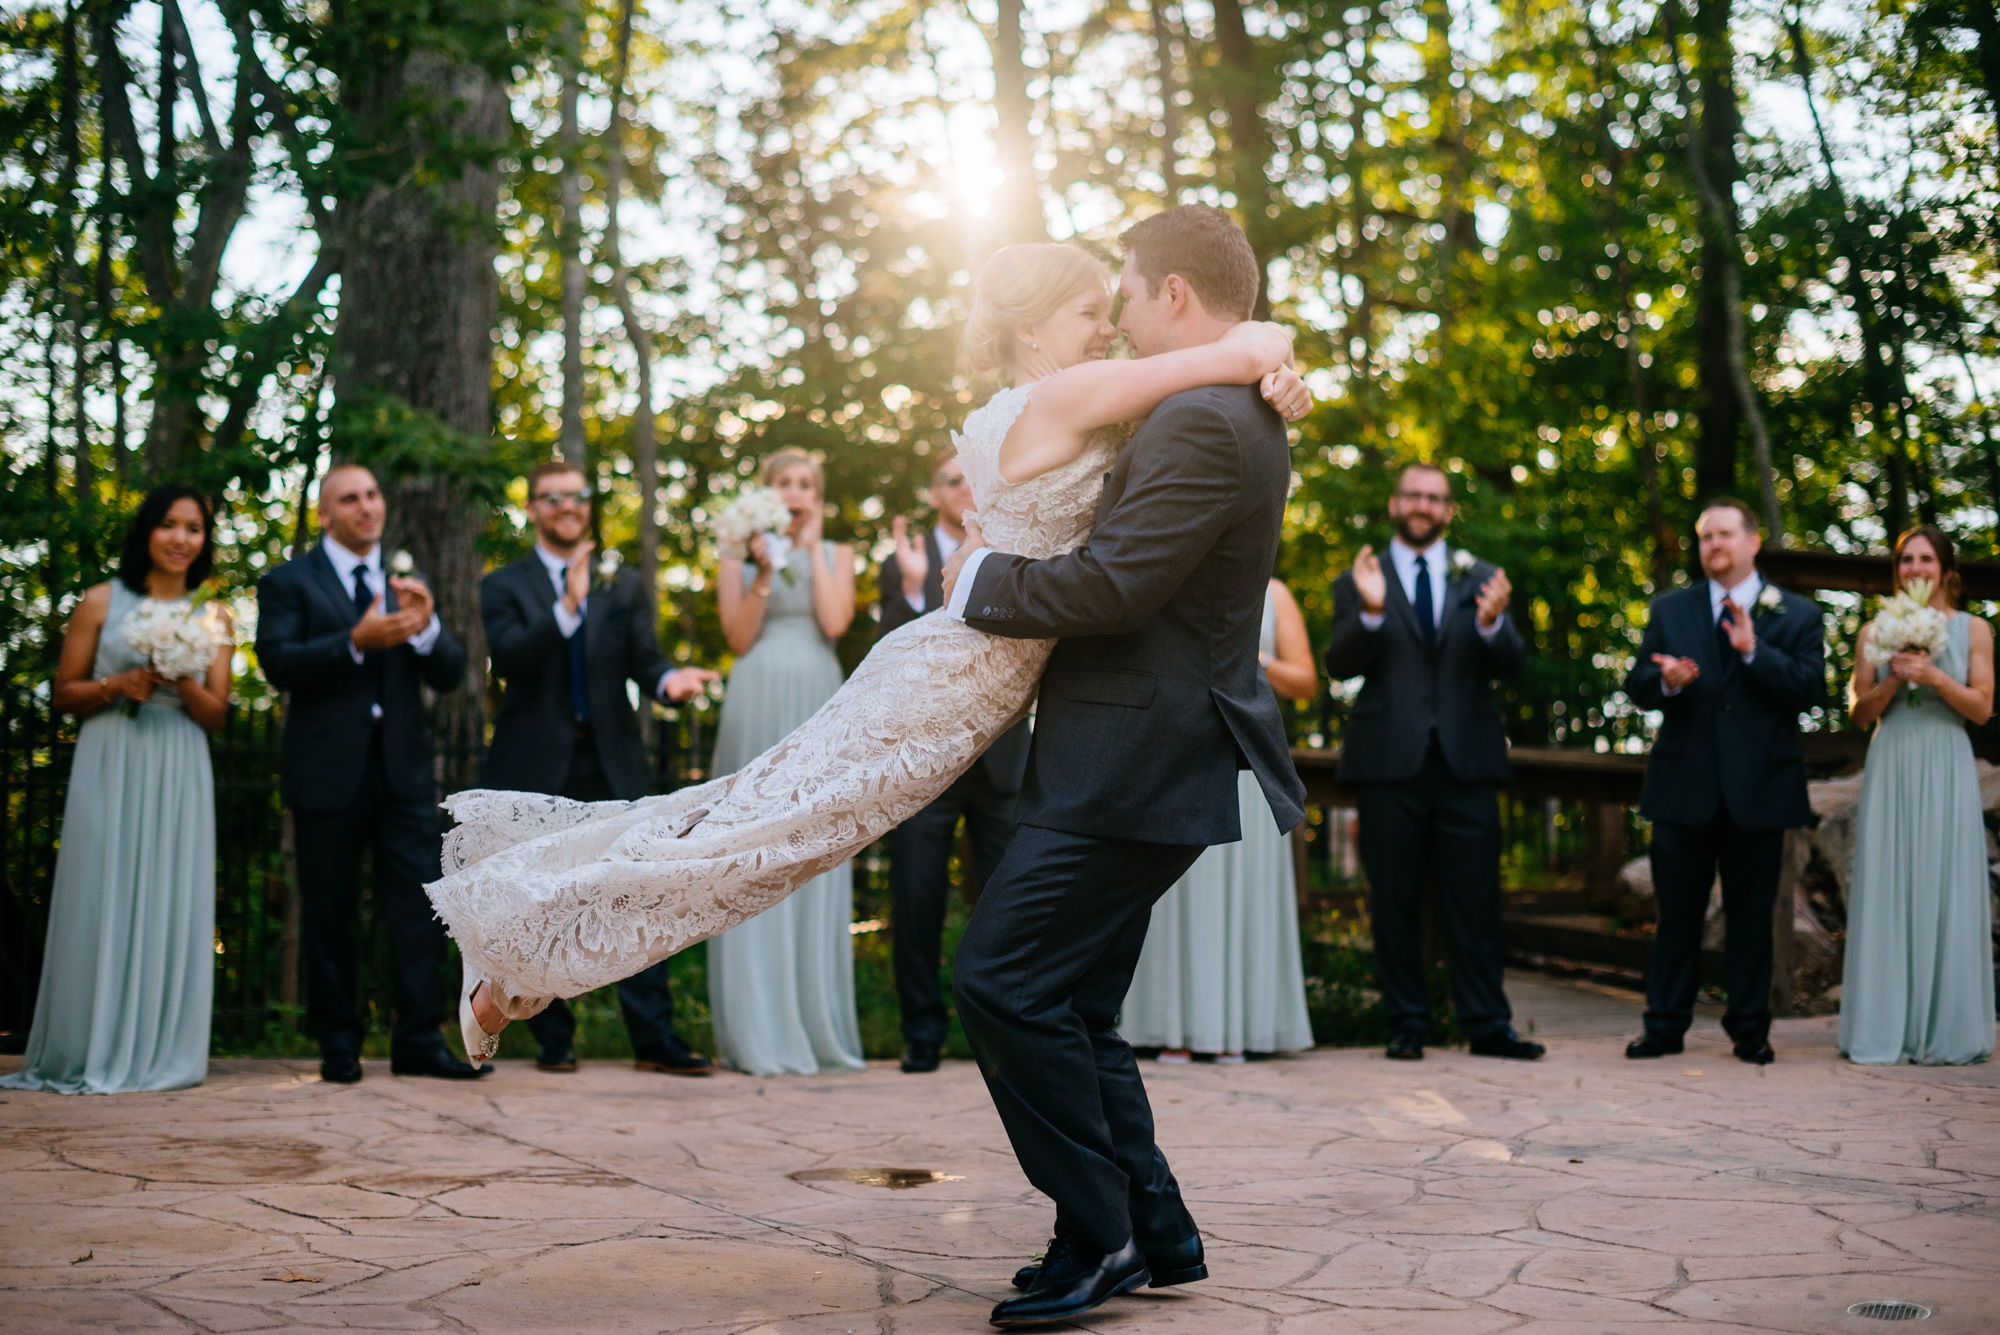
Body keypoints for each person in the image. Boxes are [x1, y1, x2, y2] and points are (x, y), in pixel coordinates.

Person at [431, 238, 1309, 1111]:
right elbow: (1240, 347)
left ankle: (524, 945)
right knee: (761, 830)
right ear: (1033, 326)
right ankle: (513, 943)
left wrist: (1278, 372)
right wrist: (1275, 359)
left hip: (973, 685)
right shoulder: (1071, 390)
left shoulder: (1074, 395)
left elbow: (1219, 373)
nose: (1111, 327)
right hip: (944, 679)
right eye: (1089, 312)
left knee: (771, 835)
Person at [937, 205, 1309, 1327]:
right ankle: (1151, 1227)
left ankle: (1095, 1236)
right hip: (1134, 752)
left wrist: (975, 588)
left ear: (1175, 297)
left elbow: (1113, 587)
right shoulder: (1218, 399)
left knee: (999, 981)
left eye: (1129, 297)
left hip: (1130, 758)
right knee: (1079, 1003)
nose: (1122, 319)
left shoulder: (1201, 418)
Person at [479, 460, 719, 1075]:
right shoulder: (504, 585)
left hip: (613, 762)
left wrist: (670, 681)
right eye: (550, 496)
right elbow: (509, 661)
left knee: (638, 898)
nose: (566, 505)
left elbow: (647, 659)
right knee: (542, 901)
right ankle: (553, 1039)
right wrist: (567, 606)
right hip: (535, 764)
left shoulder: (626, 584)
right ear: (531, 508)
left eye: (576, 495)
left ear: (588, 504)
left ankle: (654, 1040)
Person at [3, 486, 233, 1094]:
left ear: (204, 541)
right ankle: (89, 1044)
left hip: (179, 764)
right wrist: (118, 684)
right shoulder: (101, 601)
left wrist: (177, 679)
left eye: (194, 529)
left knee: (168, 894)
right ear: (147, 532)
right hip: (112, 757)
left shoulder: (216, 617)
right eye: (169, 525)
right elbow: (63, 693)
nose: (181, 539)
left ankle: (161, 1049)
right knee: (101, 890)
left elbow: (215, 714)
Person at [256, 463, 480, 1084]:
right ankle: (338, 1045)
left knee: (419, 912)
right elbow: (277, 662)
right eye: (350, 499)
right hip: (327, 774)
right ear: (326, 514)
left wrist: (428, 627)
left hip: (402, 776)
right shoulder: (288, 582)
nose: (366, 507)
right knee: (330, 913)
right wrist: (354, 640)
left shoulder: (405, 582)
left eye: (373, 494)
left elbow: (452, 674)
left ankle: (418, 1042)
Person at [1323, 463, 1541, 1062]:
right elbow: (1338, 664)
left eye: (1435, 498)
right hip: (1387, 761)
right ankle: (1406, 1024)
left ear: (1448, 511)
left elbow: (1514, 664)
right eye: (1414, 495)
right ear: (1395, 503)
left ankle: (1487, 1025)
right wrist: (1369, 612)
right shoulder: (1359, 577)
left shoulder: (1485, 578)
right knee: (1393, 900)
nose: (1424, 504)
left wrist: (1493, 625)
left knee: (1475, 899)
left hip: (1467, 761)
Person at [1623, 497, 1826, 1066]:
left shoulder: (1796, 614)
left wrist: (1754, 651)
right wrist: (1665, 682)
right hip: (1683, 785)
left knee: (1753, 917)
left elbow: (1811, 690)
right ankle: (1663, 1026)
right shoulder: (1672, 610)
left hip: (1760, 786)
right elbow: (1637, 682)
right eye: (1706, 536)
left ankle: (1750, 1030)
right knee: (1676, 917)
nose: (1714, 544)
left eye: (1725, 534)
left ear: (1752, 542)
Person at [700, 448, 866, 1076]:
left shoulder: (838, 556)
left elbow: (834, 620)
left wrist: (815, 547)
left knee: (814, 847)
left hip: (818, 699)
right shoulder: (736, 555)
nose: (797, 493)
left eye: (806, 485)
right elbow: (738, 638)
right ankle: (757, 1030)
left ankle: (817, 1028)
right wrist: (764, 571)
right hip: (758, 694)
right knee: (750, 849)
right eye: (784, 484)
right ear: (766, 493)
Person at [878, 447, 1031, 1074]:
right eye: (952, 479)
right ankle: (921, 1033)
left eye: (973, 475)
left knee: (1007, 901)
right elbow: (887, 650)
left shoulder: (1015, 546)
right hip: (926, 761)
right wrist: (916, 588)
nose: (965, 485)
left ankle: (1003, 1033)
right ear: (935, 495)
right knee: (916, 900)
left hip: (1000, 756)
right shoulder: (903, 564)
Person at [1121, 577, 1317, 1062]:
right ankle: (1172, 1028)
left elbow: (1306, 683)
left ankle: (1240, 1028)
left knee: (1242, 895)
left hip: (1245, 763)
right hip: (1174, 760)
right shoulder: (1169, 579)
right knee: (1174, 899)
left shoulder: (1275, 595)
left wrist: (1254, 658)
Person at [1840, 525, 1995, 1065]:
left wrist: (1931, 676)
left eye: (1925, 559)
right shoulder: (1872, 630)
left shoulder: (1974, 629)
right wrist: (1893, 682)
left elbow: (1980, 708)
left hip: (1945, 760)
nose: (1914, 568)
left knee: (1943, 881)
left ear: (1947, 570)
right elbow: (1860, 712)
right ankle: (1885, 1027)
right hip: (1892, 760)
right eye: (1906, 560)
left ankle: (1948, 1030)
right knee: (1889, 883)